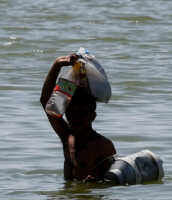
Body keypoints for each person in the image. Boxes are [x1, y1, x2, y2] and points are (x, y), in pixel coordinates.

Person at [40, 54, 117, 182]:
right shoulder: (66, 137)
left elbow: (114, 180)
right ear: (65, 112)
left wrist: (97, 184)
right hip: (68, 199)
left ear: (93, 116)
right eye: (71, 112)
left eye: (82, 113)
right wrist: (57, 64)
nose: (76, 118)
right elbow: (46, 101)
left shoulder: (102, 145)